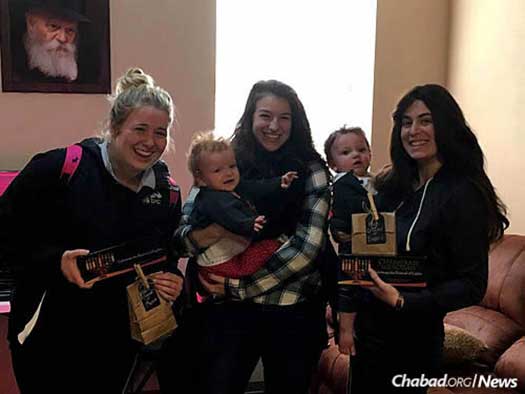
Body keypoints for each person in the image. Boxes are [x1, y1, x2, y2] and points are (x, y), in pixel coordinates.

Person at [0, 67, 184, 393]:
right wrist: (56, 261)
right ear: (114, 127)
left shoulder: (166, 192)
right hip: (47, 338)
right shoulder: (61, 168)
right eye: (140, 128)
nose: (150, 142)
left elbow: (163, 254)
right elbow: (6, 234)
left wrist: (171, 277)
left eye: (160, 132)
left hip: (117, 341)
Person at [337, 84, 509, 393]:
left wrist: (403, 301)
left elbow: (472, 284)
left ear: (445, 125)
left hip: (413, 340)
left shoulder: (463, 193)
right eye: (406, 121)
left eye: (425, 120)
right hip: (367, 332)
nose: (413, 130)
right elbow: (364, 250)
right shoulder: (390, 184)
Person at [168, 80, 335, 394]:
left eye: (284, 117)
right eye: (265, 115)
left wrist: (238, 286)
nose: (274, 126)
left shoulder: (312, 169)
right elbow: (182, 237)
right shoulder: (223, 160)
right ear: (250, 117)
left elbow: (307, 248)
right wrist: (216, 231)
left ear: (295, 121)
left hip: (292, 309)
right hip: (228, 314)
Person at [187, 131, 299, 279]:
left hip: (232, 251)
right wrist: (249, 224)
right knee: (264, 253)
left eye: (232, 166)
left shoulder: (234, 187)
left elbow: (256, 187)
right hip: (217, 261)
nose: (228, 173)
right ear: (200, 179)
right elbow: (228, 216)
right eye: (217, 170)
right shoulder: (211, 199)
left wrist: (279, 182)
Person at [12, 0, 90, 83]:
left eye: (70, 30)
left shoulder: (87, 73)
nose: (63, 38)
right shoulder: (11, 68)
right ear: (31, 24)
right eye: (53, 26)